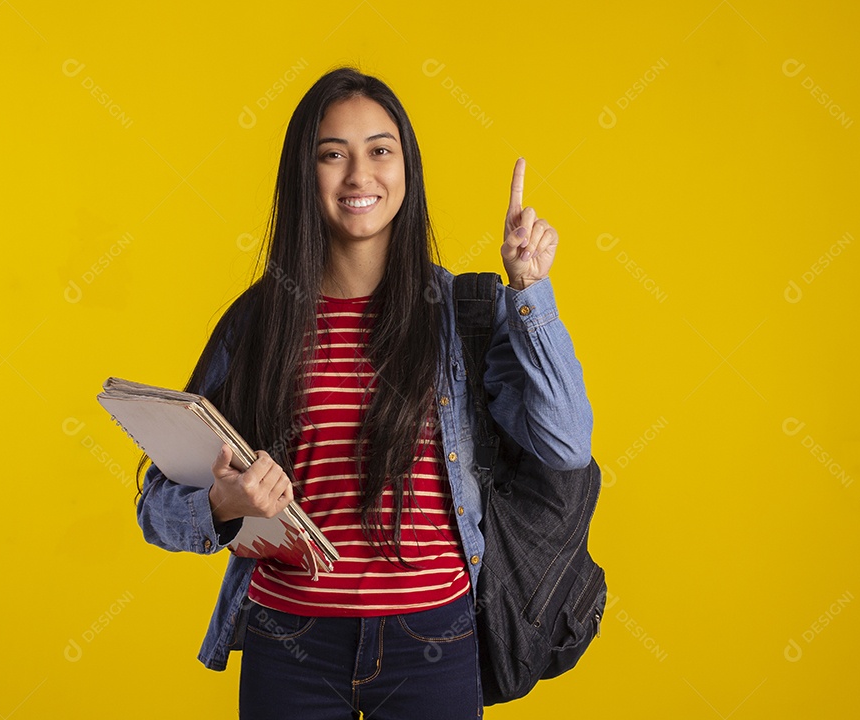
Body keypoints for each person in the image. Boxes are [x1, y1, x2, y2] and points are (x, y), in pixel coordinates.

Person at [134, 65, 593, 719]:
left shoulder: (459, 313)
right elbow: (155, 505)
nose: (359, 176)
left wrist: (528, 291)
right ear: (304, 173)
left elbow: (565, 441)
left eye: (380, 150)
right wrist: (221, 504)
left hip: (433, 639)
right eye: (332, 154)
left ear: (407, 169)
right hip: (290, 644)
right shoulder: (259, 320)